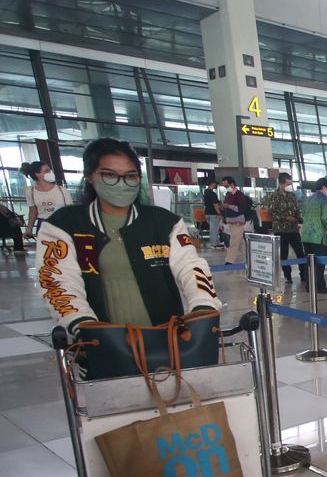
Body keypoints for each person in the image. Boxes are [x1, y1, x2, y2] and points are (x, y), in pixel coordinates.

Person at [35, 137, 218, 337]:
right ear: (89, 176)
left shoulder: (164, 222)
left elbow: (190, 265)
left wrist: (203, 306)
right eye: (109, 175)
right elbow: (57, 281)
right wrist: (83, 325)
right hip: (102, 345)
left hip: (166, 340)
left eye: (131, 176)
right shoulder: (65, 223)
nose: (122, 184)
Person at [265, 173, 305, 285]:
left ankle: (304, 274)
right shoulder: (274, 196)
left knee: (300, 252)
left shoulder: (292, 195)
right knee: (283, 254)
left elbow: (296, 210)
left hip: (294, 230)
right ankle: (288, 275)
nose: (290, 186)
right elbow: (271, 213)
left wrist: (299, 218)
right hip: (281, 230)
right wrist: (286, 218)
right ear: (282, 183)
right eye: (288, 184)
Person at [299, 177, 327, 295]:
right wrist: (324, 227)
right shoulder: (326, 200)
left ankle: (309, 285)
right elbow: (326, 218)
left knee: (309, 261)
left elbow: (303, 214)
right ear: (324, 187)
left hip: (305, 234)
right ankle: (320, 286)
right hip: (318, 235)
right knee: (319, 263)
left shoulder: (308, 199)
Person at [21, 161, 71, 239]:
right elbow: (33, 211)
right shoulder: (30, 192)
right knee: (45, 250)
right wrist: (29, 229)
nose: (50, 173)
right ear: (37, 174)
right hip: (43, 224)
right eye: (46, 171)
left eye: (50, 170)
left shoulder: (61, 190)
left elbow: (69, 209)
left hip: (61, 223)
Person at [220, 176, 249, 265]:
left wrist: (228, 206)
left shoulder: (239, 195)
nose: (226, 187)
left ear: (232, 184)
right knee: (240, 242)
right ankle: (248, 257)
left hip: (238, 221)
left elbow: (242, 208)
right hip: (230, 220)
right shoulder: (228, 194)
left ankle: (229, 260)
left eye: (226, 185)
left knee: (233, 241)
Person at [202, 178, 223, 249]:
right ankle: (214, 244)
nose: (216, 185)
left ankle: (217, 243)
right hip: (213, 214)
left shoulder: (205, 192)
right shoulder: (212, 193)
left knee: (213, 228)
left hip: (207, 213)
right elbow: (215, 204)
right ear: (213, 184)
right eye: (216, 184)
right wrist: (219, 213)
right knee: (214, 229)